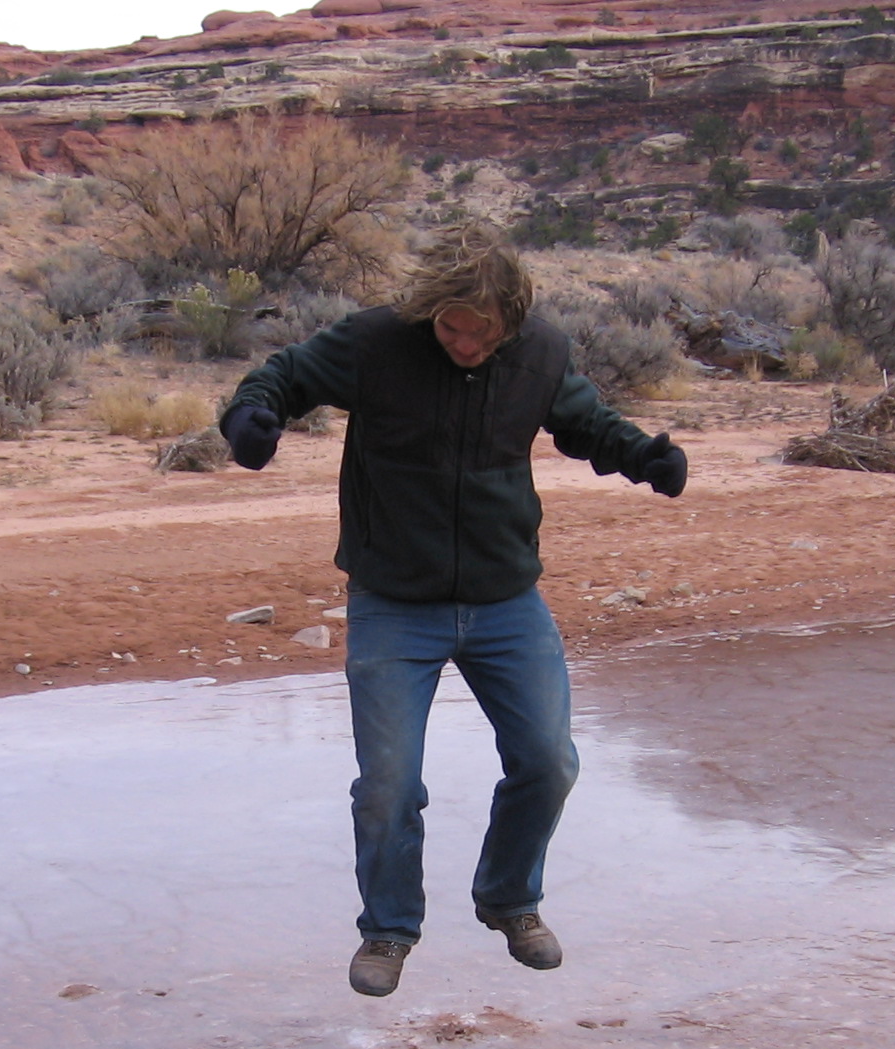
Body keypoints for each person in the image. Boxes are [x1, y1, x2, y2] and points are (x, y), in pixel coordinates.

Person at [219, 224, 687, 997]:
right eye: (450, 328)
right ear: (430, 313)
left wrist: (645, 457)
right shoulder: (376, 343)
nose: (464, 343)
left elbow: (586, 424)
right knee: (388, 786)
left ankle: (510, 902)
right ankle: (389, 930)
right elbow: (281, 377)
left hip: (506, 599)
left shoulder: (538, 352)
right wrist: (249, 421)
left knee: (548, 763)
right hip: (394, 603)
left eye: (481, 332)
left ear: (511, 319)